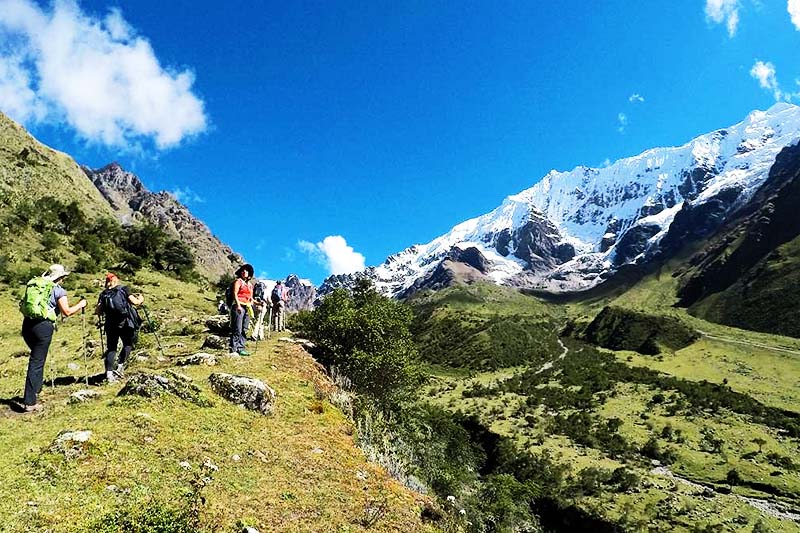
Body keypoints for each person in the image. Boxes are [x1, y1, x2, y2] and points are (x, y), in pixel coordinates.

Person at [20, 264, 87, 412]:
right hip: (43, 327)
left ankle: (36, 391)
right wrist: (81, 304)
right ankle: (30, 402)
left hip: (27, 324)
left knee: (38, 359)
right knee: (36, 362)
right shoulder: (58, 290)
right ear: (60, 277)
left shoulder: (36, 285)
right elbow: (67, 312)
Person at [96, 272, 143, 383]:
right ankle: (120, 366)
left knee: (111, 348)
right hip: (125, 323)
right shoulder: (124, 289)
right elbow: (135, 302)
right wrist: (141, 299)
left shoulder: (103, 294)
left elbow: (98, 311)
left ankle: (109, 374)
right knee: (128, 344)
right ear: (116, 280)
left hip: (110, 324)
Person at [230, 264, 254, 355]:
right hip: (238, 306)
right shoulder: (238, 281)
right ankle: (233, 349)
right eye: (243, 271)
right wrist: (238, 305)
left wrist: (259, 303)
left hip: (247, 307)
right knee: (237, 328)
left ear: (249, 274)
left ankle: (241, 348)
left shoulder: (250, 285)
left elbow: (251, 298)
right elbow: (235, 293)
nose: (244, 272)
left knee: (244, 328)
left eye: (246, 271)